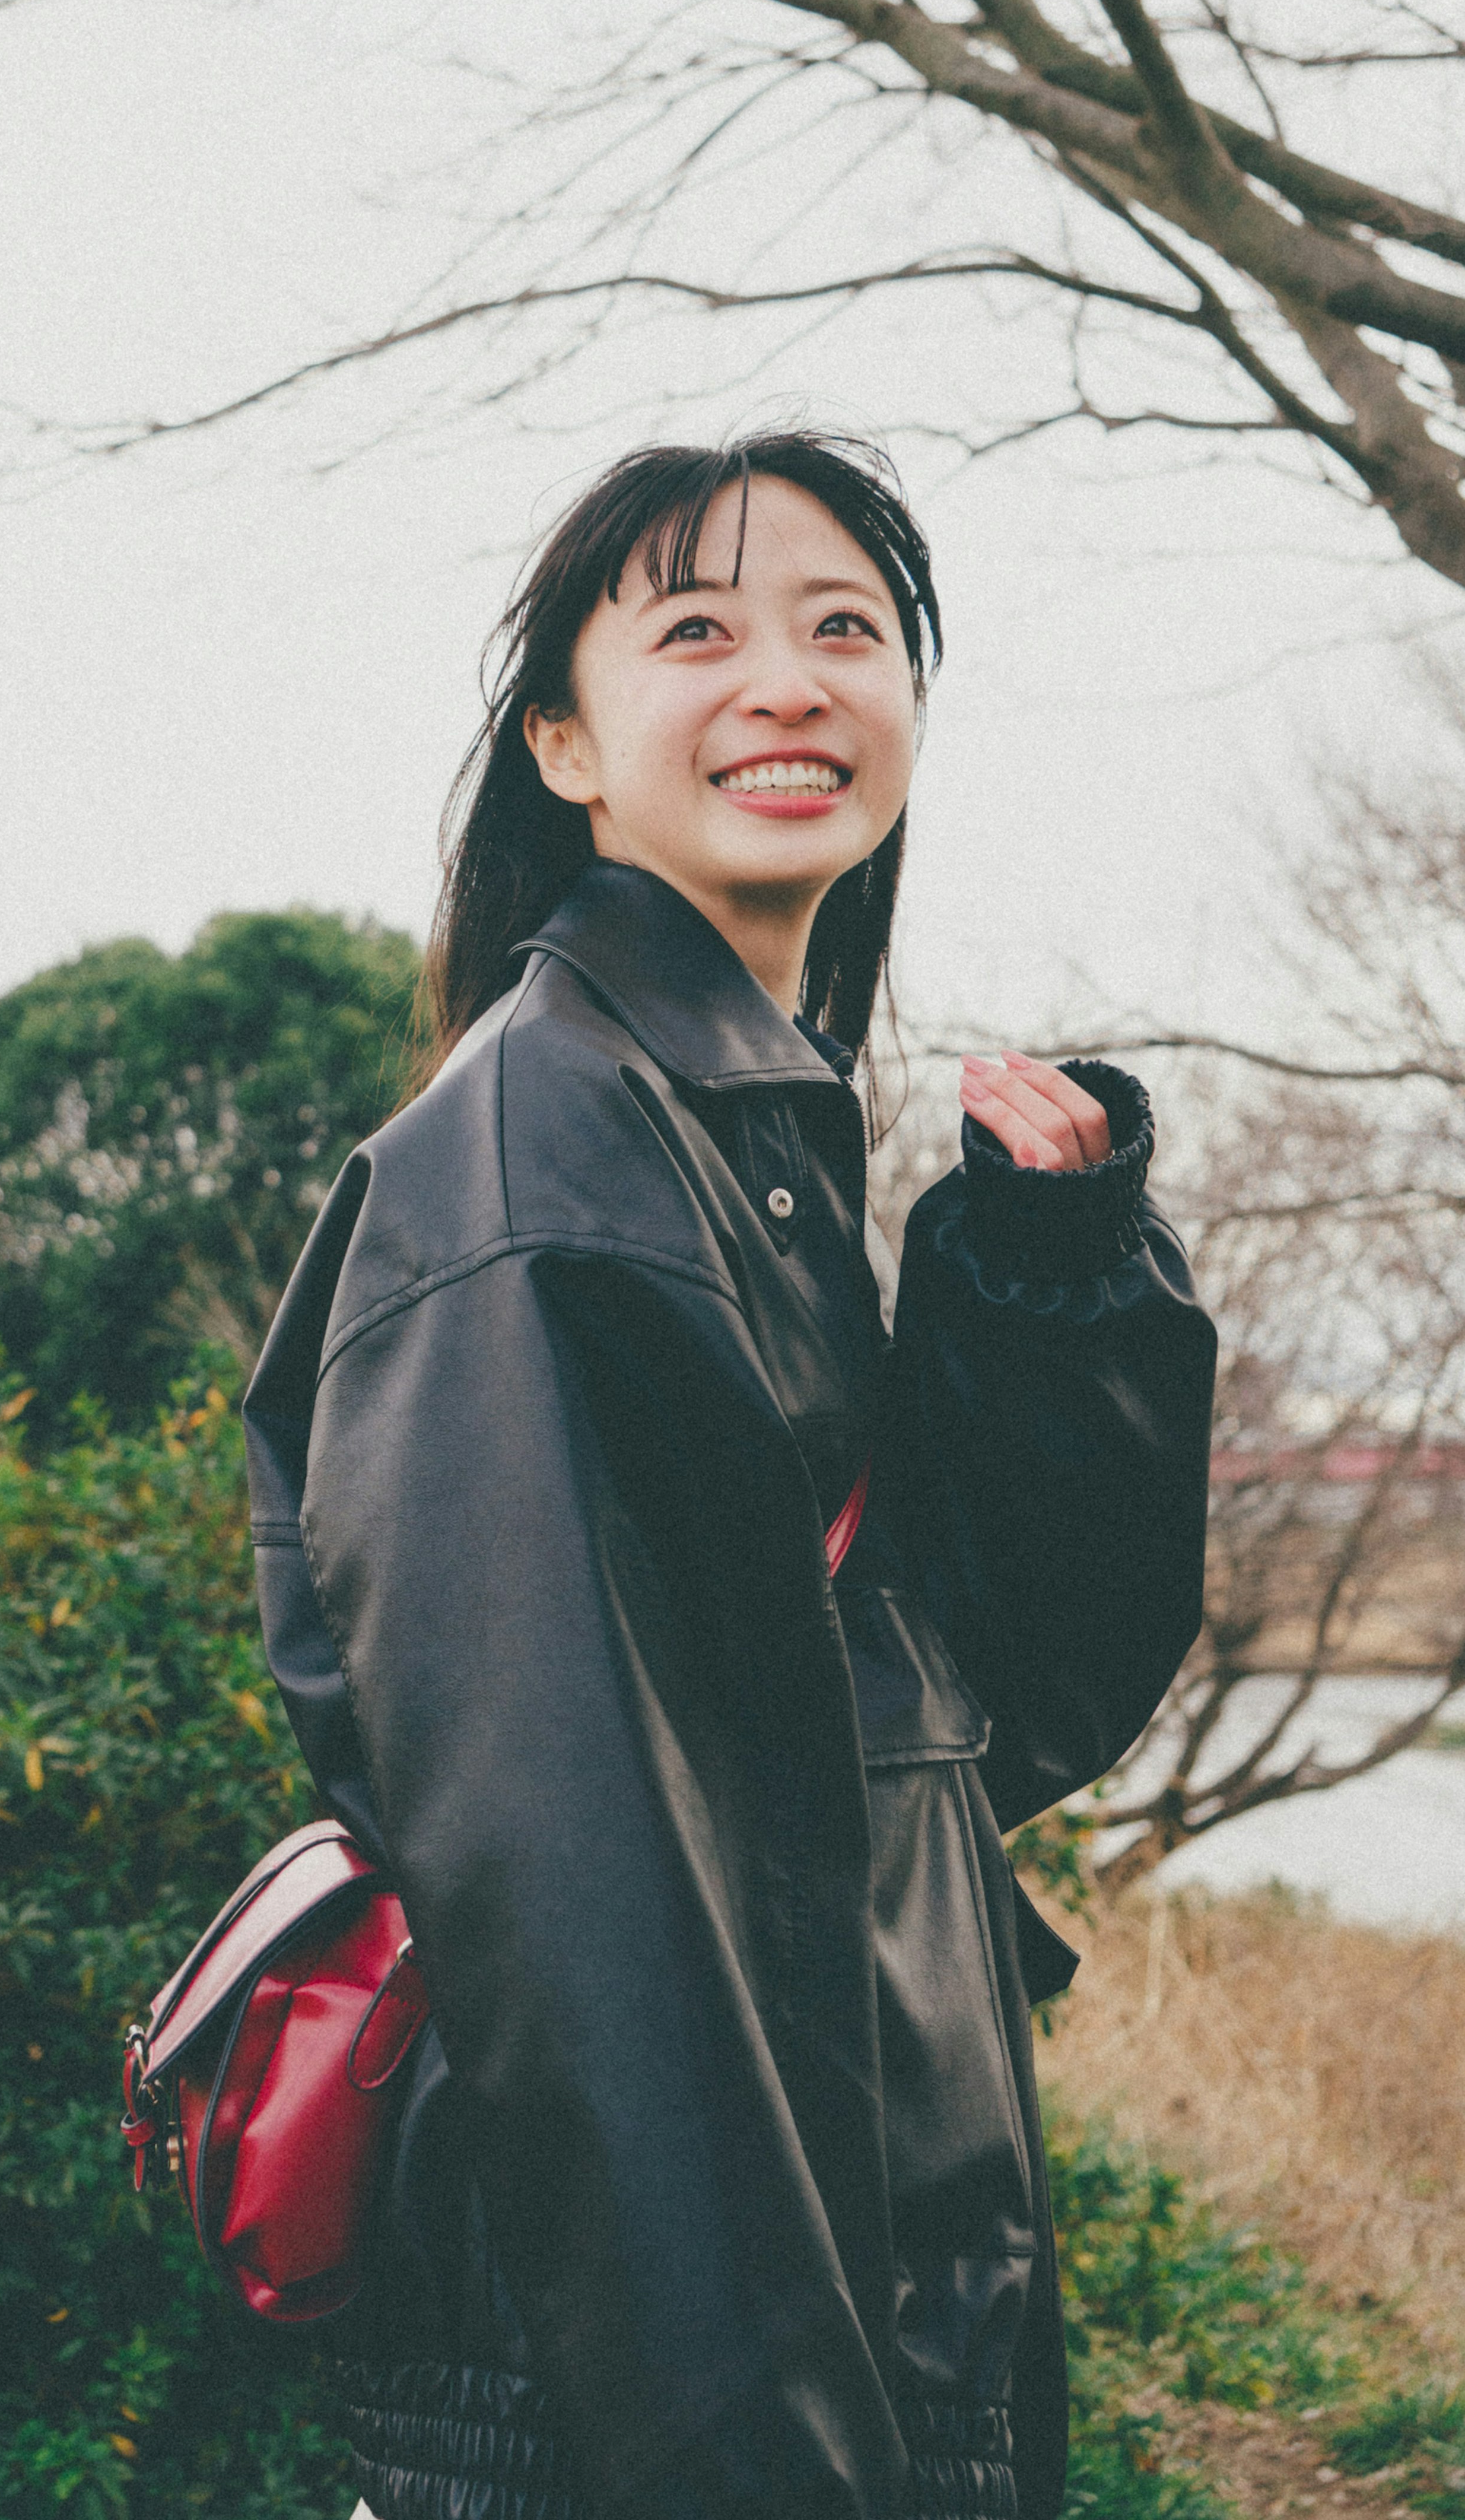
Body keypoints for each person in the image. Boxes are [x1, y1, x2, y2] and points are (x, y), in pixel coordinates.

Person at [244, 434, 1216, 2520]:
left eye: (846, 628)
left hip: (858, 2292)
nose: (789, 678)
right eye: (700, 630)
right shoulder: (551, 1157)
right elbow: (590, 1909)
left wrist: (1048, 1313)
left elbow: (969, 1724)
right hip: (678, 2390)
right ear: (566, 744)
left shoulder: (731, 1133)